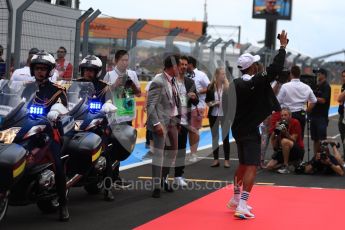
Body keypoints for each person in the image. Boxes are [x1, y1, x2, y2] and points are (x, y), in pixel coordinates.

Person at [227, 30, 288, 220]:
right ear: (252, 67)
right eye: (255, 63)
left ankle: (236, 198)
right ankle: (243, 205)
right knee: (252, 166)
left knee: (243, 164)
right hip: (250, 130)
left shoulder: (234, 83)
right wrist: (283, 47)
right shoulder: (257, 82)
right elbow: (276, 68)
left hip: (236, 129)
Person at [25, 51, 69, 221]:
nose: (40, 72)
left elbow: (62, 105)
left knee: (57, 164)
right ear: (32, 70)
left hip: (49, 133)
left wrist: (56, 110)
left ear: (50, 71)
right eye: (37, 68)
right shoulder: (26, 87)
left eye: (44, 69)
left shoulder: (57, 90)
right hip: (26, 130)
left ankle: (63, 204)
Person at [77, 55, 116, 201]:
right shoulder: (76, 84)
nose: (88, 73)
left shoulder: (104, 86)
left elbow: (109, 101)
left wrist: (107, 105)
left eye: (91, 70)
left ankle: (108, 188)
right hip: (78, 121)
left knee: (105, 150)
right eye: (86, 70)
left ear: (97, 72)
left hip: (99, 123)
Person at [103, 49, 141, 188]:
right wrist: (115, 85)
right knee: (114, 146)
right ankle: (111, 176)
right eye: (122, 60)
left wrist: (132, 86)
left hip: (128, 113)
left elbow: (139, 93)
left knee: (123, 147)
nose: (125, 62)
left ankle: (115, 176)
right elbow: (104, 93)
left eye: (127, 60)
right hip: (115, 116)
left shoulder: (132, 74)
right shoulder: (109, 74)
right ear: (116, 61)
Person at [147, 54, 181, 198]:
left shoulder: (174, 81)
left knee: (173, 151)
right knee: (159, 154)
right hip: (160, 122)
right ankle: (156, 186)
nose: (180, 69)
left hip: (172, 121)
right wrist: (156, 123)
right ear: (173, 67)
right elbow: (150, 105)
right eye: (178, 66)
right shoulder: (158, 81)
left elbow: (175, 101)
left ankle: (163, 178)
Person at [174, 55, 198, 186]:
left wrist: (193, 97)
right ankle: (164, 176)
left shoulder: (190, 82)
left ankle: (178, 176)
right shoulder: (170, 81)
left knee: (182, 149)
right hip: (171, 121)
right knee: (169, 150)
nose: (183, 67)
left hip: (184, 121)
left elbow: (197, 101)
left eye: (185, 64)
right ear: (176, 66)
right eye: (181, 64)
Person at [277, 65, 317, 137]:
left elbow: (278, 101)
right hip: (300, 114)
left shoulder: (285, 86)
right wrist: (306, 111)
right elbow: (314, 100)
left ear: (291, 74)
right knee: (299, 138)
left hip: (287, 115)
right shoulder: (306, 87)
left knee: (285, 137)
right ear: (299, 74)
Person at [205, 67, 231, 168]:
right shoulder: (210, 87)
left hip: (224, 115)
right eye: (222, 74)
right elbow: (207, 101)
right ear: (216, 75)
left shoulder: (228, 87)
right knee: (214, 138)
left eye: (224, 74)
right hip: (213, 114)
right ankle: (216, 160)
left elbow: (231, 102)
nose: (223, 76)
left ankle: (226, 160)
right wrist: (213, 103)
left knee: (226, 138)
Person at [266, 108, 304, 173]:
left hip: (296, 149)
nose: (283, 117)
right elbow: (273, 140)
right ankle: (290, 162)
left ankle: (286, 166)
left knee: (284, 141)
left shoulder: (295, 122)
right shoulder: (280, 124)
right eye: (282, 115)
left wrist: (286, 133)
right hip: (283, 149)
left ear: (290, 116)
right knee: (269, 167)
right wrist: (276, 130)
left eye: (285, 115)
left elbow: (294, 140)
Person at [187, 56, 210, 162]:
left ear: (191, 64)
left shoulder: (201, 75)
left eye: (186, 64)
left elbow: (210, 87)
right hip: (184, 106)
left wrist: (198, 92)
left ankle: (193, 153)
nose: (184, 66)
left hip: (197, 106)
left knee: (194, 130)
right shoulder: (184, 75)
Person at [309, 68, 331, 156]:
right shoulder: (316, 86)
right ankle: (316, 159)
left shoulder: (326, 86)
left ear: (324, 75)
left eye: (319, 73)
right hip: (313, 116)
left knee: (323, 141)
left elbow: (323, 100)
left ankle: (326, 159)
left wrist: (313, 98)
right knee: (315, 139)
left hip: (321, 117)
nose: (317, 75)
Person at [336, 70, 345, 159]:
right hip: (342, 114)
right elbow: (341, 101)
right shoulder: (343, 86)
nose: (343, 78)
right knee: (342, 135)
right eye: (342, 76)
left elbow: (339, 98)